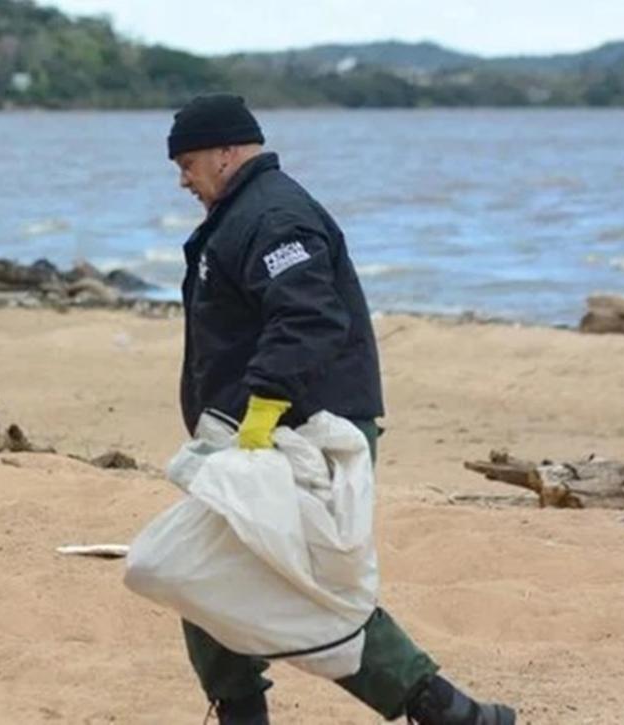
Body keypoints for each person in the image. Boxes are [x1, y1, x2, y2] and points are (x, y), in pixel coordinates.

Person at [166, 93, 517, 725]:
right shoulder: (241, 213)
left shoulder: (275, 217)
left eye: (188, 163)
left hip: (307, 432)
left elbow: (307, 320)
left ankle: (447, 711)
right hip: (258, 431)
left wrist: (259, 423)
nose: (182, 179)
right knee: (206, 573)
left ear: (226, 152)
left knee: (310, 590)